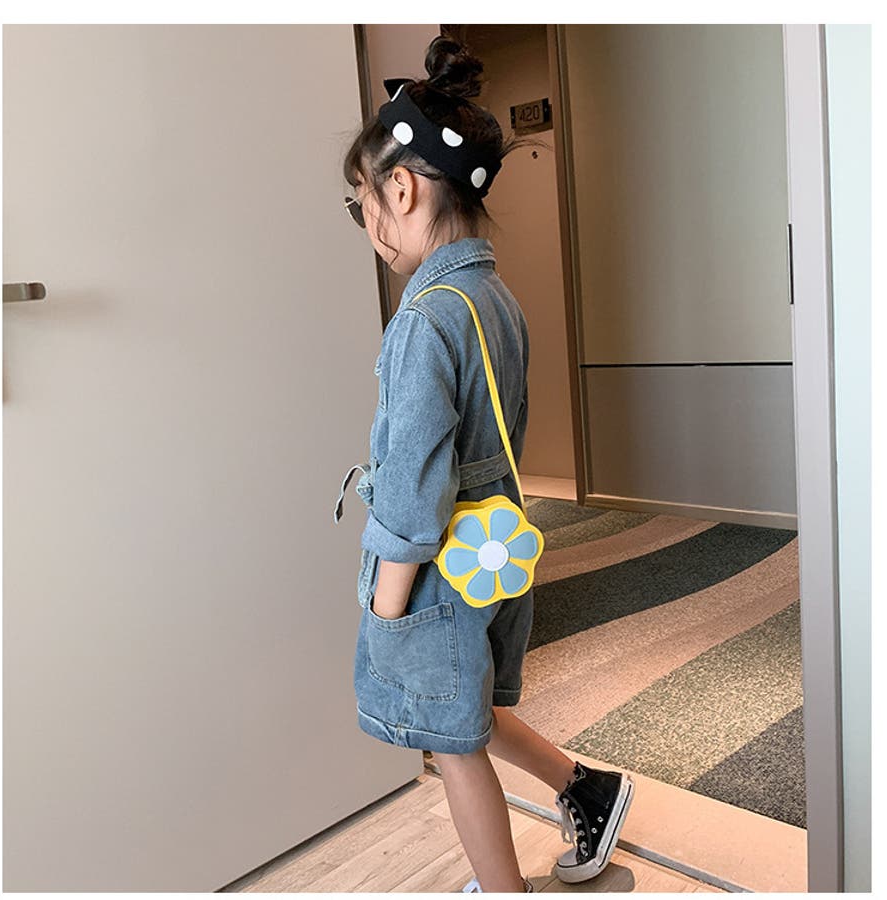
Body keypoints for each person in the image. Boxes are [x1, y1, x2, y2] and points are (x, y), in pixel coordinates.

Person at [334, 33, 634, 894]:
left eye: (361, 204)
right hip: (494, 545)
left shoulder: (424, 318)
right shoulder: (492, 296)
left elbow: (412, 485)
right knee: (470, 707)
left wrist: (387, 604)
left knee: (449, 742)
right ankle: (587, 789)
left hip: (438, 564)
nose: (367, 224)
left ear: (400, 188)